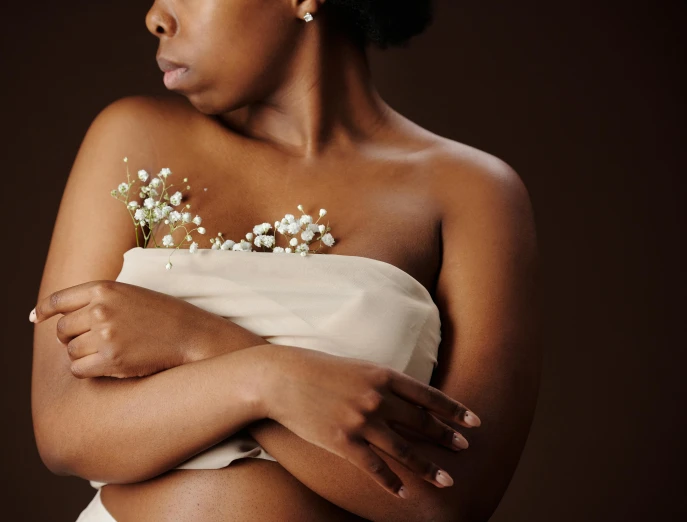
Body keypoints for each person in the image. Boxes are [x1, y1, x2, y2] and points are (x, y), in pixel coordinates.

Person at [30, 1, 542, 520]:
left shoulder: (471, 192)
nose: (156, 17)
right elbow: (65, 431)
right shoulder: (134, 137)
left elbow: (449, 502)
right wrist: (265, 380)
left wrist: (215, 348)